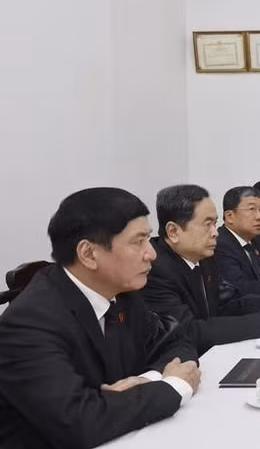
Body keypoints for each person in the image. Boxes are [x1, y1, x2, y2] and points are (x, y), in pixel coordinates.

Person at [0, 188, 201, 449]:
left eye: (149, 239)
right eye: (138, 241)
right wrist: (174, 385)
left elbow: (177, 341)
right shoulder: (28, 324)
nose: (152, 254)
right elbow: (79, 422)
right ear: (88, 254)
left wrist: (149, 379)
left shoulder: (121, 292)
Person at [143, 185, 260, 356]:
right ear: (173, 231)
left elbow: (230, 301)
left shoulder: (203, 258)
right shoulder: (155, 269)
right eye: (207, 224)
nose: (215, 233)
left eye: (215, 223)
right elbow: (188, 331)